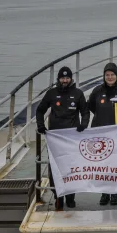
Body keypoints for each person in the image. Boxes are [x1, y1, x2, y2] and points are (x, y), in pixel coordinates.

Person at [35, 66, 87, 210]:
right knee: (55, 168)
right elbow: (39, 111)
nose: (65, 80)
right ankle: (58, 196)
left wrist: (84, 124)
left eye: (67, 78)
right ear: (58, 79)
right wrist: (40, 125)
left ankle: (71, 197)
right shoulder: (51, 94)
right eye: (62, 78)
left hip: (72, 139)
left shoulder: (78, 94)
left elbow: (85, 111)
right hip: (55, 139)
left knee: (73, 167)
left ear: (71, 79)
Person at [87, 62, 117, 206]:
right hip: (100, 133)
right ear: (104, 76)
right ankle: (104, 193)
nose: (110, 77)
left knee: (115, 165)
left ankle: (114, 194)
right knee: (103, 164)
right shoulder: (97, 91)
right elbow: (91, 107)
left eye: (112, 74)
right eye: (107, 75)